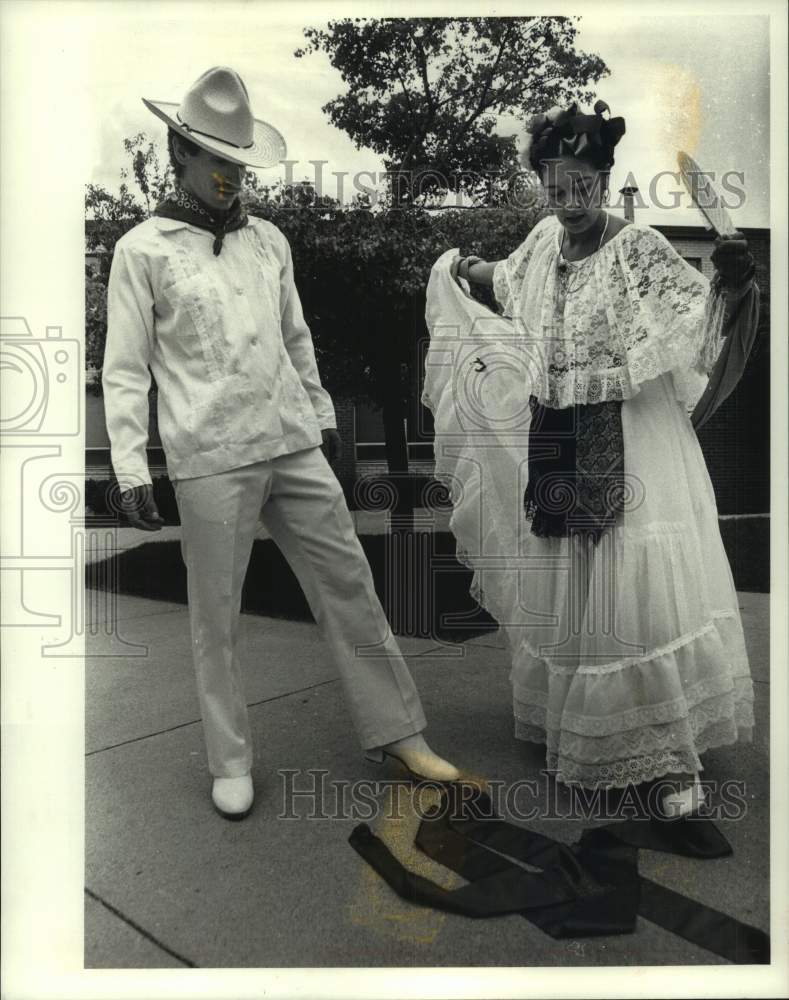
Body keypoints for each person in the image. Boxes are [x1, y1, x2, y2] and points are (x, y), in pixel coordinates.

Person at [102, 66, 461, 820]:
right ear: (178, 155)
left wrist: (322, 417)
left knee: (350, 588)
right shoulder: (143, 250)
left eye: (238, 163)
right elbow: (125, 369)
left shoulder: (269, 242)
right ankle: (229, 761)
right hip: (208, 456)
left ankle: (400, 733)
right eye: (215, 161)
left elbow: (298, 341)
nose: (230, 176)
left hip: (292, 441)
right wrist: (132, 466)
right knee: (216, 618)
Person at [423, 100, 759, 817]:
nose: (568, 199)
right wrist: (460, 265)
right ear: (541, 182)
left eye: (582, 182)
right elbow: (505, 280)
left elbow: (698, 324)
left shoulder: (636, 249)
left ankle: (667, 762)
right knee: (568, 586)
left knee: (632, 585)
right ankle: (584, 729)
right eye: (554, 182)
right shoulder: (543, 242)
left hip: (629, 444)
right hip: (555, 437)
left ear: (603, 179)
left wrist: (732, 283)